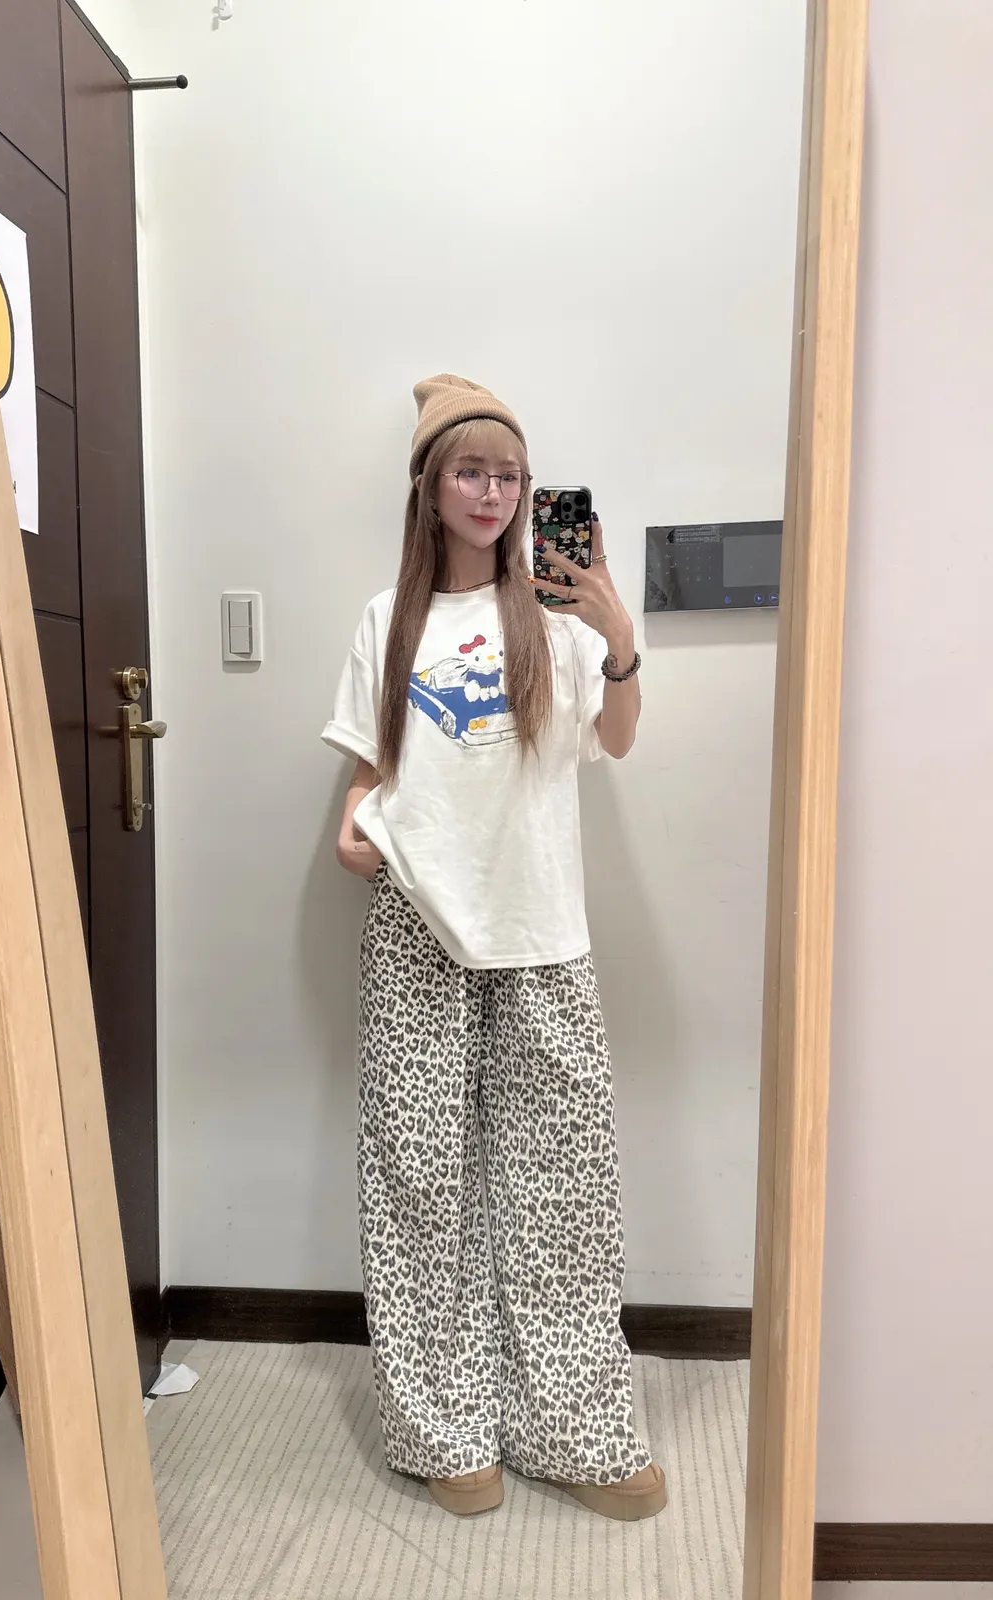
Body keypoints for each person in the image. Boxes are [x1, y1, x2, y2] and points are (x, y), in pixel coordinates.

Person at [322, 374, 666, 1521]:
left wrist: (618, 636)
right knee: (421, 1189)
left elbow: (616, 741)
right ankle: (443, 1427)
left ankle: (575, 1428)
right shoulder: (388, 619)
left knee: (562, 1193)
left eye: (509, 475)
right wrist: (352, 825)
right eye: (470, 471)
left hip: (539, 933)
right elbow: (371, 763)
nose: (493, 492)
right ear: (430, 488)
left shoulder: (557, 627)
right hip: (417, 927)